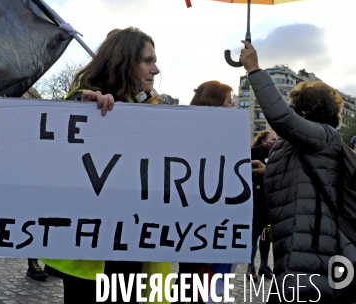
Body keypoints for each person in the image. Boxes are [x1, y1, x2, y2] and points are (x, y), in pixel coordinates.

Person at [42, 27, 168, 304]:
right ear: (125, 61)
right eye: (148, 60)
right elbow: (55, 148)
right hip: (95, 255)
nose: (156, 69)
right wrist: (82, 105)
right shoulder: (85, 101)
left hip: (138, 247)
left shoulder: (152, 109)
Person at [239, 40, 356, 302]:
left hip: (314, 254)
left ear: (304, 112)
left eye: (291, 106)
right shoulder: (297, 145)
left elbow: (280, 118)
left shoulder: (324, 136)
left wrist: (255, 71)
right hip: (293, 252)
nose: (287, 110)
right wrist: (266, 171)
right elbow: (303, 184)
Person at [178, 80, 234, 303]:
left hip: (205, 229)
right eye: (229, 103)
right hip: (202, 230)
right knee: (194, 287)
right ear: (217, 105)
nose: (233, 109)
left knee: (191, 284)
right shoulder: (206, 141)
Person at [248, 130, 277, 280]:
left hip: (270, 200)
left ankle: (264, 266)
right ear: (263, 140)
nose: (275, 142)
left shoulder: (276, 155)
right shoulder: (254, 152)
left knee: (267, 235)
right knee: (254, 234)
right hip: (256, 200)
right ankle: (250, 266)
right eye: (273, 139)